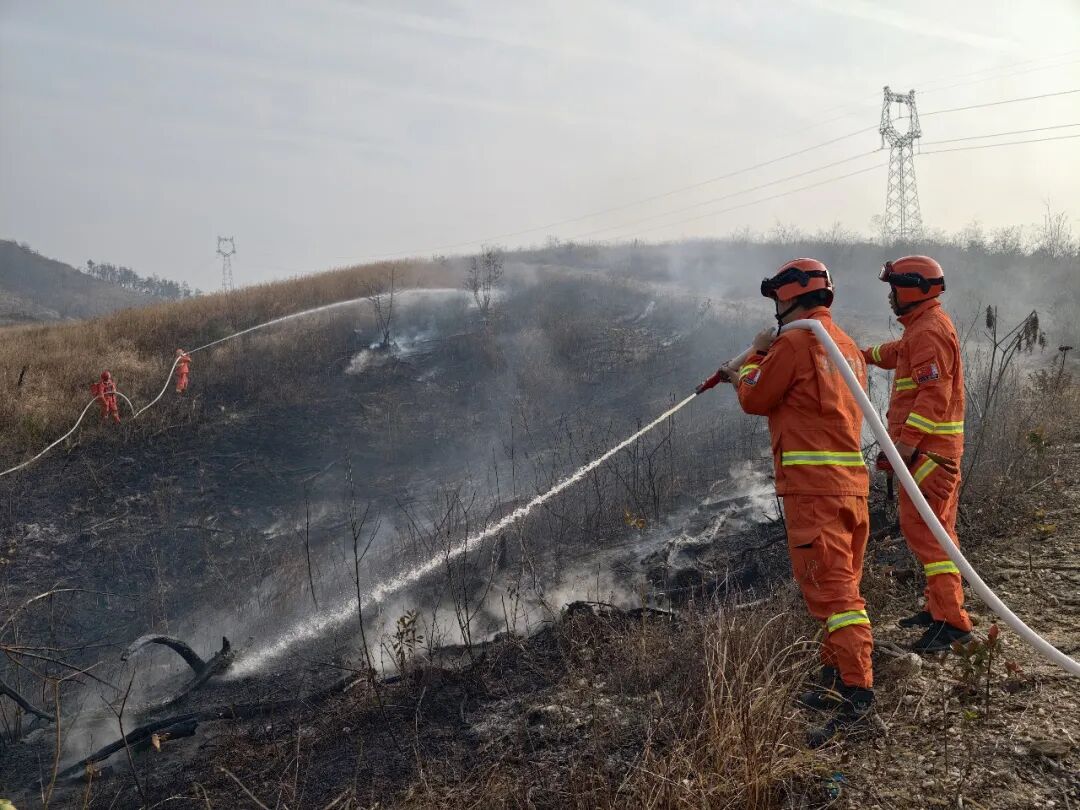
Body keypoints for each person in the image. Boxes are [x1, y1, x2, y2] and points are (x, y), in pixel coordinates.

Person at [698, 258, 873, 746]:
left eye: (777, 298)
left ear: (791, 296)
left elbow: (755, 397)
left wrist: (752, 358)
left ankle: (859, 699)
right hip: (849, 488)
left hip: (814, 493)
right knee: (839, 588)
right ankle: (836, 680)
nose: (775, 307)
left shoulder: (794, 343)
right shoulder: (844, 344)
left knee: (836, 597)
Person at [861, 256, 972, 653]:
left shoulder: (928, 331)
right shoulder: (921, 329)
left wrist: (904, 448)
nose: (890, 296)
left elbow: (933, 397)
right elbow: (897, 353)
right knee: (936, 533)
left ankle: (951, 624)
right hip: (931, 455)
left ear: (911, 289)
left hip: (928, 456)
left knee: (930, 537)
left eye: (894, 288)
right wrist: (860, 354)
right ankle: (938, 607)